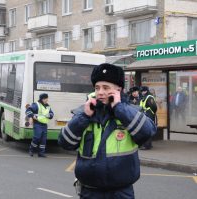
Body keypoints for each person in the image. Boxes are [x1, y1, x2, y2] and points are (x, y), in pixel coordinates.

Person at [58, 63, 156, 199]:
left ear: (118, 89)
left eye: (106, 87)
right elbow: (64, 142)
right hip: (90, 192)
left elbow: (148, 132)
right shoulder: (85, 112)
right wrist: (84, 117)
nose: (100, 92)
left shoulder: (130, 112)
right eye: (97, 88)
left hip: (120, 192)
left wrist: (119, 108)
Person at [26, 93, 54, 157]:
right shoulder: (36, 105)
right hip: (37, 123)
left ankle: (41, 153)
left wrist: (49, 115)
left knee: (43, 139)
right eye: (46, 98)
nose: (47, 100)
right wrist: (32, 116)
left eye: (47, 98)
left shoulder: (48, 106)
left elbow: (52, 114)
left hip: (44, 124)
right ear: (42, 99)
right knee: (37, 137)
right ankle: (31, 150)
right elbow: (28, 110)